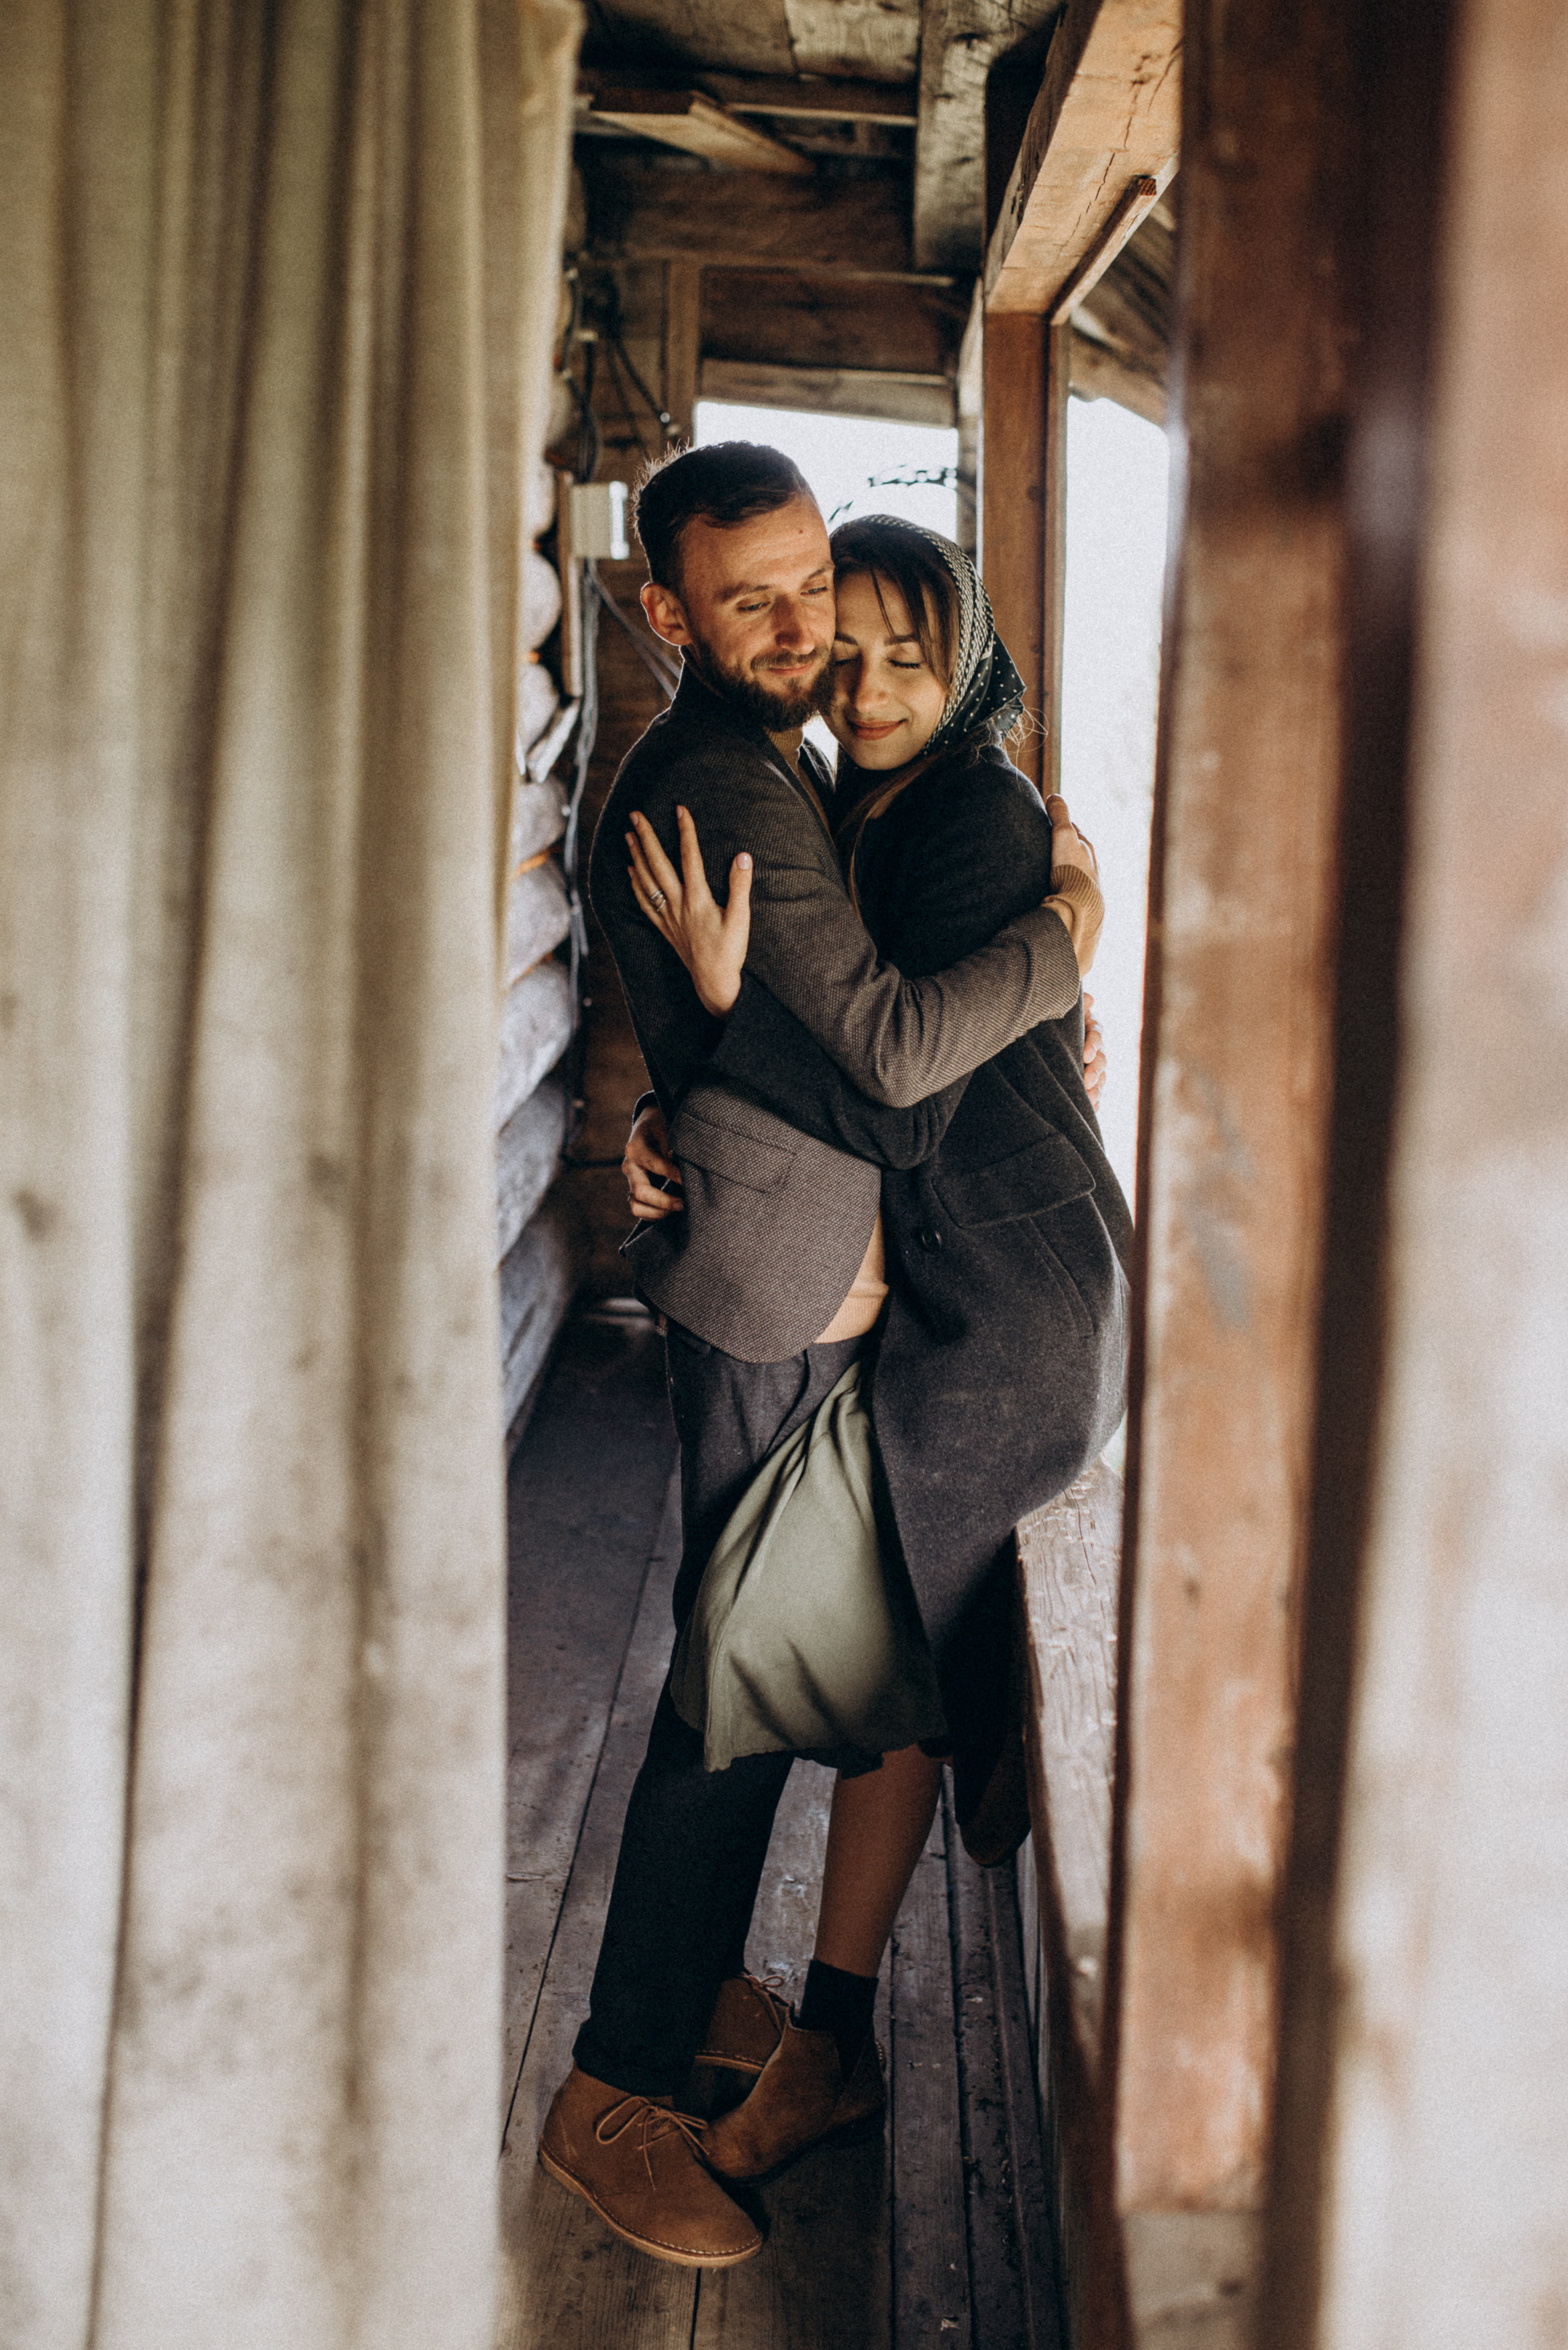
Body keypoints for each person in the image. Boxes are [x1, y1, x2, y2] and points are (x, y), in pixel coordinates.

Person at [536, 444, 1100, 2271]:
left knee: (766, 1659)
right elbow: (878, 1059)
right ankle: (613, 2089)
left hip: (784, 1281)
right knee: (728, 1687)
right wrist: (1066, 943)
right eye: (757, 602)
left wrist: (699, 1077)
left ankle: (704, 2000)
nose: (801, 638)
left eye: (815, 595)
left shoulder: (769, 764)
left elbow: (817, 1037)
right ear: (662, 608)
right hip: (778, 1302)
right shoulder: (727, 779)